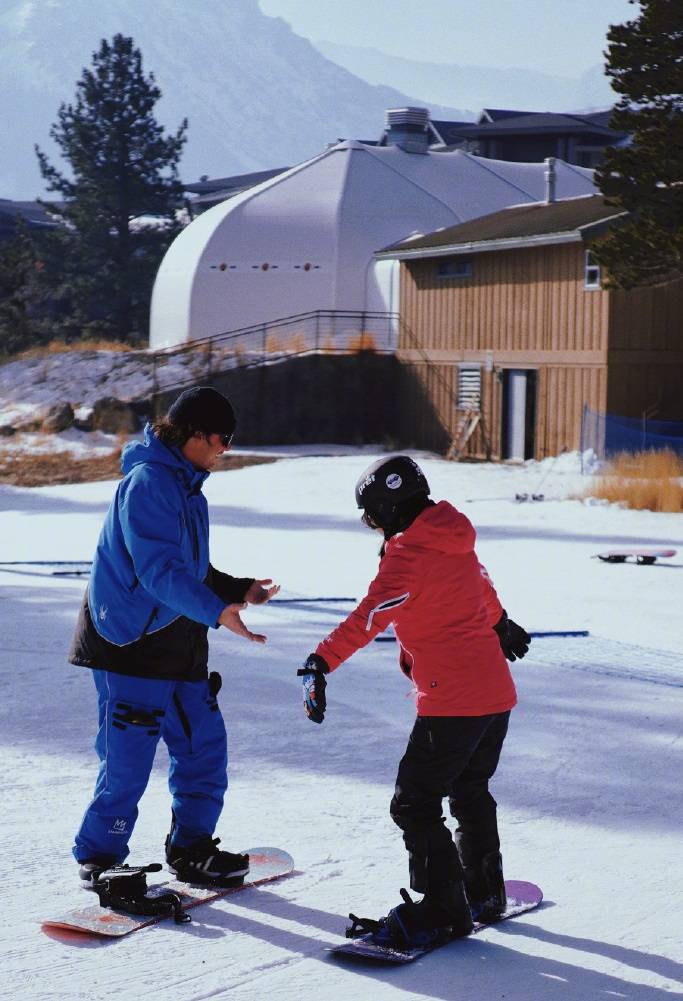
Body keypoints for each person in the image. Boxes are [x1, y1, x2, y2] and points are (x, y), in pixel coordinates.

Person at [297, 454, 530, 949]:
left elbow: (368, 618)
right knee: (470, 790)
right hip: (495, 695)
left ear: (389, 507)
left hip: (453, 702)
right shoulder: (452, 537)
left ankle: (445, 910)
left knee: (415, 802)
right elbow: (481, 589)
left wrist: (320, 662)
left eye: (372, 516)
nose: (373, 527)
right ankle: (484, 892)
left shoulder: (408, 555)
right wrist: (500, 622)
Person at [69, 386, 279, 889]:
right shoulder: (148, 483)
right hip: (130, 643)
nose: (225, 449)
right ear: (193, 434)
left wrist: (234, 590)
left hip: (178, 637)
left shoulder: (187, 486)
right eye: (221, 438)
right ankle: (100, 856)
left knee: (204, 746)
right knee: (128, 760)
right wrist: (216, 610)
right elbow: (158, 569)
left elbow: (190, 567)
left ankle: (191, 848)